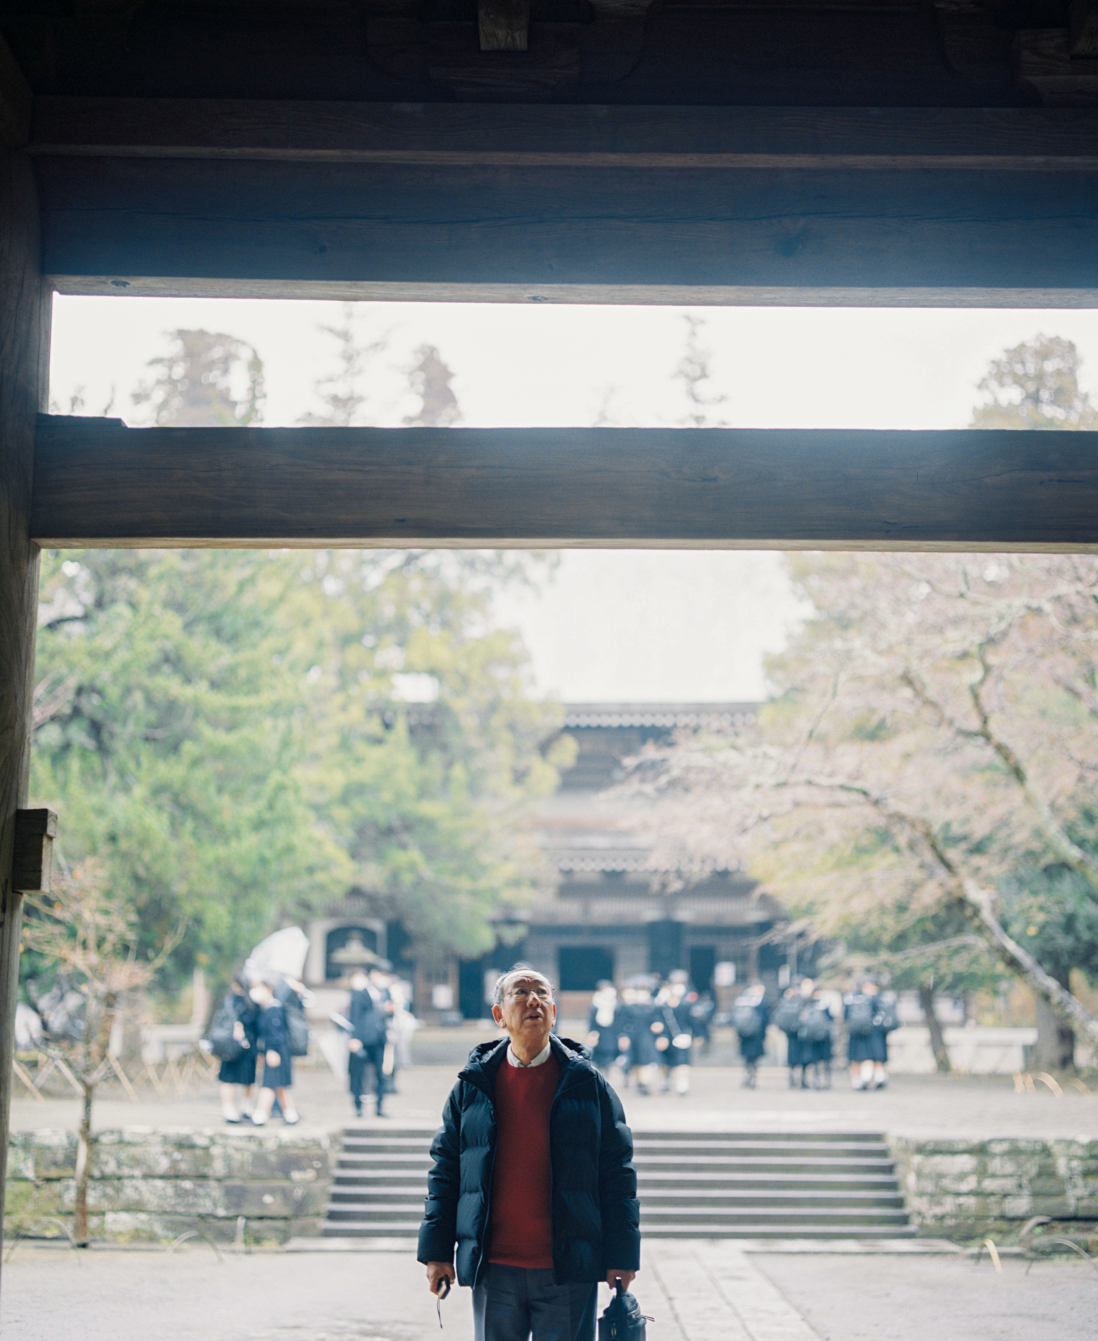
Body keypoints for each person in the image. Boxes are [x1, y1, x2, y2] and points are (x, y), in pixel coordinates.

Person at [418, 965, 640, 1341]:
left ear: (554, 1012)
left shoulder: (587, 1085)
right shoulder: (474, 1086)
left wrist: (622, 1255)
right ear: (499, 1015)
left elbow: (617, 1173)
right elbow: (446, 1172)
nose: (533, 1000)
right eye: (520, 993)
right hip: (494, 1266)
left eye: (542, 994)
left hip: (568, 1267)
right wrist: (436, 1252)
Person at [249, 979, 300, 1125]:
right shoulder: (264, 1009)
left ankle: (261, 1114)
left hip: (277, 1051)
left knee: (269, 1083)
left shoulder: (274, 1008)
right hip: (271, 1051)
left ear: (268, 989)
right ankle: (291, 1114)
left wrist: (272, 1051)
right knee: (280, 1084)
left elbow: (276, 1034)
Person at [215, 977, 258, 1123]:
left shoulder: (228, 1002)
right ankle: (245, 1107)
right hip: (247, 1046)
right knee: (246, 1079)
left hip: (230, 1047)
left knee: (228, 1079)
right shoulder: (252, 1004)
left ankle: (229, 1110)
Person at [348, 967, 390, 1118]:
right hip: (363, 1039)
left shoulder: (385, 992)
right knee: (359, 1074)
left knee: (380, 1074)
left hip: (379, 1039)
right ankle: (358, 1107)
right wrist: (354, 1037)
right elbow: (355, 1016)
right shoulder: (360, 993)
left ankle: (379, 1107)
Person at [731, 981, 769, 1088]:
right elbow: (765, 1019)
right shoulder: (760, 1001)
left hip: (743, 1034)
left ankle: (747, 1075)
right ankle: (752, 1076)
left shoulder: (741, 1000)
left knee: (747, 1057)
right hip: (756, 1034)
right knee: (755, 1058)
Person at [844, 979, 877, 1090]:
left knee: (854, 1058)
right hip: (867, 1031)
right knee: (867, 1056)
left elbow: (845, 1016)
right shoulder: (869, 998)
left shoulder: (849, 999)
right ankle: (866, 1077)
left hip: (853, 1032)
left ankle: (856, 1080)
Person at [799, 987, 834, 1090]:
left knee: (815, 1060)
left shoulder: (807, 1005)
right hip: (824, 1036)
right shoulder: (824, 1004)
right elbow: (831, 1018)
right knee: (825, 1060)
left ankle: (816, 1080)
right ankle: (826, 1081)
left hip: (811, 1037)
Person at [772, 986, 806, 1089]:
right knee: (801, 1054)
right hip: (801, 1033)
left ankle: (792, 1074)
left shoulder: (784, 1002)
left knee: (790, 1054)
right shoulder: (802, 1002)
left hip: (789, 1033)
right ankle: (801, 1078)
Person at [585, 980, 620, 1073]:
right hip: (598, 1032)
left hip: (611, 1032)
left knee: (609, 1051)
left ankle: (607, 1068)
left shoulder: (615, 1004)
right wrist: (592, 1034)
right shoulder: (595, 1004)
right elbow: (591, 1021)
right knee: (598, 1052)